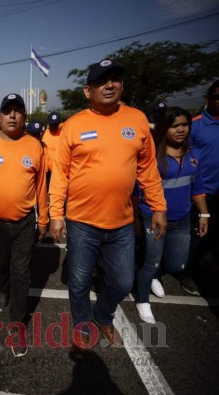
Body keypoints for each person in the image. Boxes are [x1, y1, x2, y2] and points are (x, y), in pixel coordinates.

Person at [49, 59, 167, 359]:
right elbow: (60, 173)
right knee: (78, 282)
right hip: (81, 222)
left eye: (115, 79)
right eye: (103, 81)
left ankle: (102, 316)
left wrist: (158, 206)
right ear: (88, 91)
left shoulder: (137, 119)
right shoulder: (73, 125)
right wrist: (56, 214)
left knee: (122, 281)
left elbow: (148, 169)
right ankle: (82, 328)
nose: (110, 85)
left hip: (122, 224)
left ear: (122, 85)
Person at [0, 93, 49, 357]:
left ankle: (17, 325)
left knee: (22, 274)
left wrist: (44, 218)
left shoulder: (35, 146)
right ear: (0, 117)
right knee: (0, 265)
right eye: (8, 111)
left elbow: (41, 187)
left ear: (24, 117)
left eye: (18, 111)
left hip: (25, 223)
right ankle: (2, 289)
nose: (13, 115)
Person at [134, 107, 208, 323]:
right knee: (151, 261)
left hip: (181, 219)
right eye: (175, 126)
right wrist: (137, 217)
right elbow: (138, 190)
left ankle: (156, 274)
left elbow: (198, 187)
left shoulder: (193, 156)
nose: (180, 130)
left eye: (184, 125)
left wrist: (205, 214)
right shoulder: (153, 157)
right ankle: (143, 300)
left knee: (177, 264)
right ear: (164, 129)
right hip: (153, 216)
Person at [189, 79, 219, 275]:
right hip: (200, 192)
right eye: (217, 97)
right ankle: (186, 270)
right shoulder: (193, 126)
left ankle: (204, 258)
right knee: (195, 234)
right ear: (207, 99)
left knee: (212, 231)